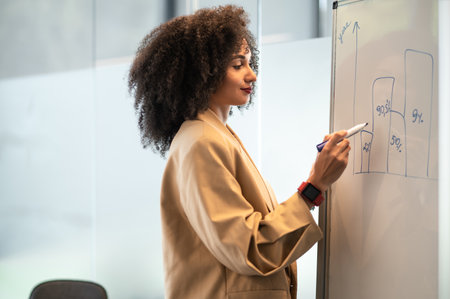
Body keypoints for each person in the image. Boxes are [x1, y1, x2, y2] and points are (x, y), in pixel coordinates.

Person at [128, 5, 350, 299]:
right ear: (202, 74)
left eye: (249, 62)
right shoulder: (201, 142)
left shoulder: (215, 135)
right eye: (237, 65)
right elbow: (247, 248)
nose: (252, 75)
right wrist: (314, 186)